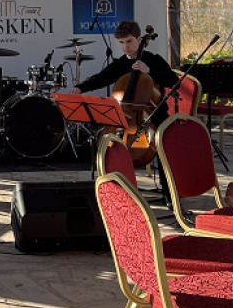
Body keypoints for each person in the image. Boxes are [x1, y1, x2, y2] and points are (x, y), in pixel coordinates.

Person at [70, 19, 179, 199]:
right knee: (108, 144)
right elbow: (101, 78)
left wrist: (149, 71)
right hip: (127, 117)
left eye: (129, 41)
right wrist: (80, 88)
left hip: (154, 114)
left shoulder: (153, 60)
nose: (125, 47)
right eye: (121, 43)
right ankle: (116, 191)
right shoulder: (120, 64)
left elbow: (173, 82)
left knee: (164, 144)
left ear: (139, 39)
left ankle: (170, 194)